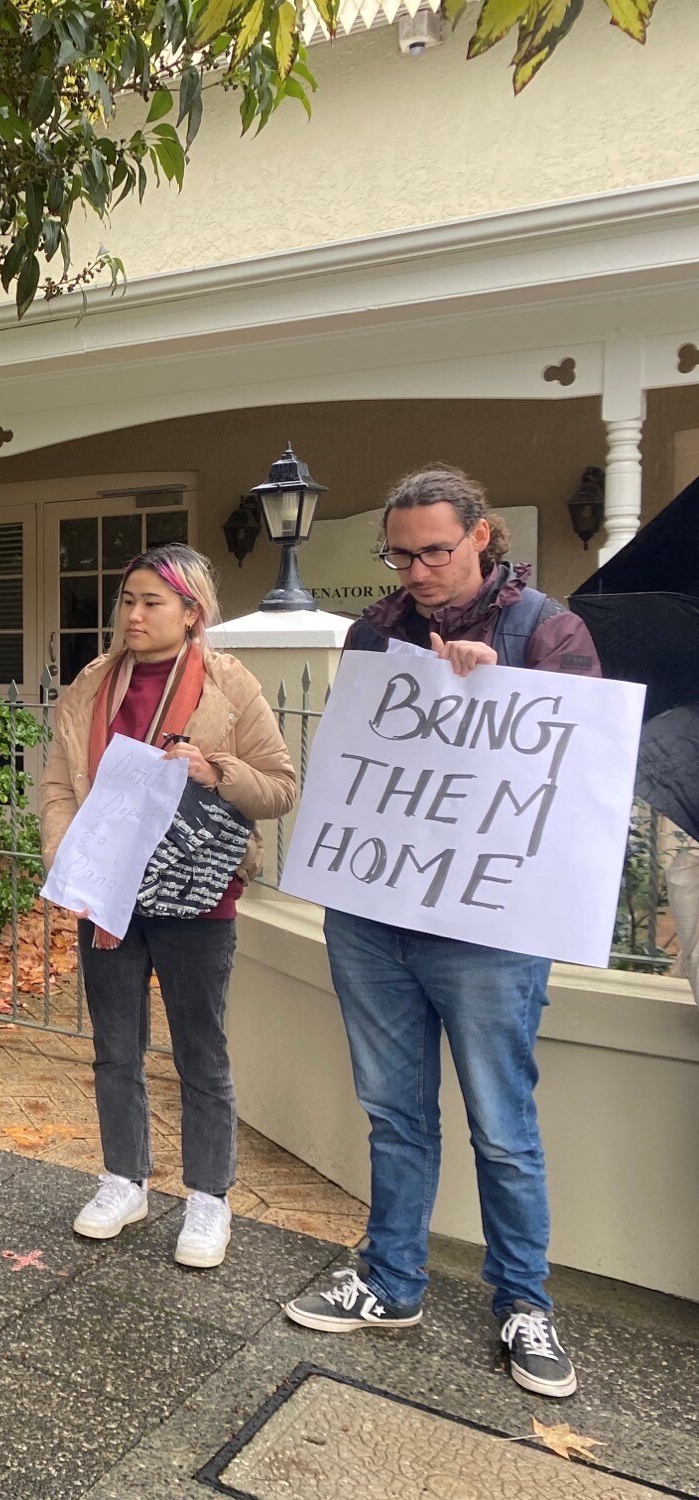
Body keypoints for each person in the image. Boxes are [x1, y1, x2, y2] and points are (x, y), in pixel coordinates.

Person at [284, 466, 601, 1400]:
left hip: (489, 927)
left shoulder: (549, 631)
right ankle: (392, 1283)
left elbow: (580, 771)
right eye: (401, 552)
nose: (417, 569)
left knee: (503, 1127)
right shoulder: (374, 630)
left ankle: (523, 1304)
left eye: (435, 550)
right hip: (375, 914)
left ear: (483, 537)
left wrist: (504, 699)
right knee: (394, 1113)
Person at [38, 544, 297, 1268]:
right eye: (128, 600)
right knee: (114, 1046)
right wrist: (64, 855)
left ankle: (209, 1197)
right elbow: (60, 783)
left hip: (198, 896)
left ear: (193, 611)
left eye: (153, 601)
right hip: (109, 895)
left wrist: (215, 769)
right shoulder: (93, 684)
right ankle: (125, 1178)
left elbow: (279, 787)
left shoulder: (229, 685)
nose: (135, 614)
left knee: (199, 1051)